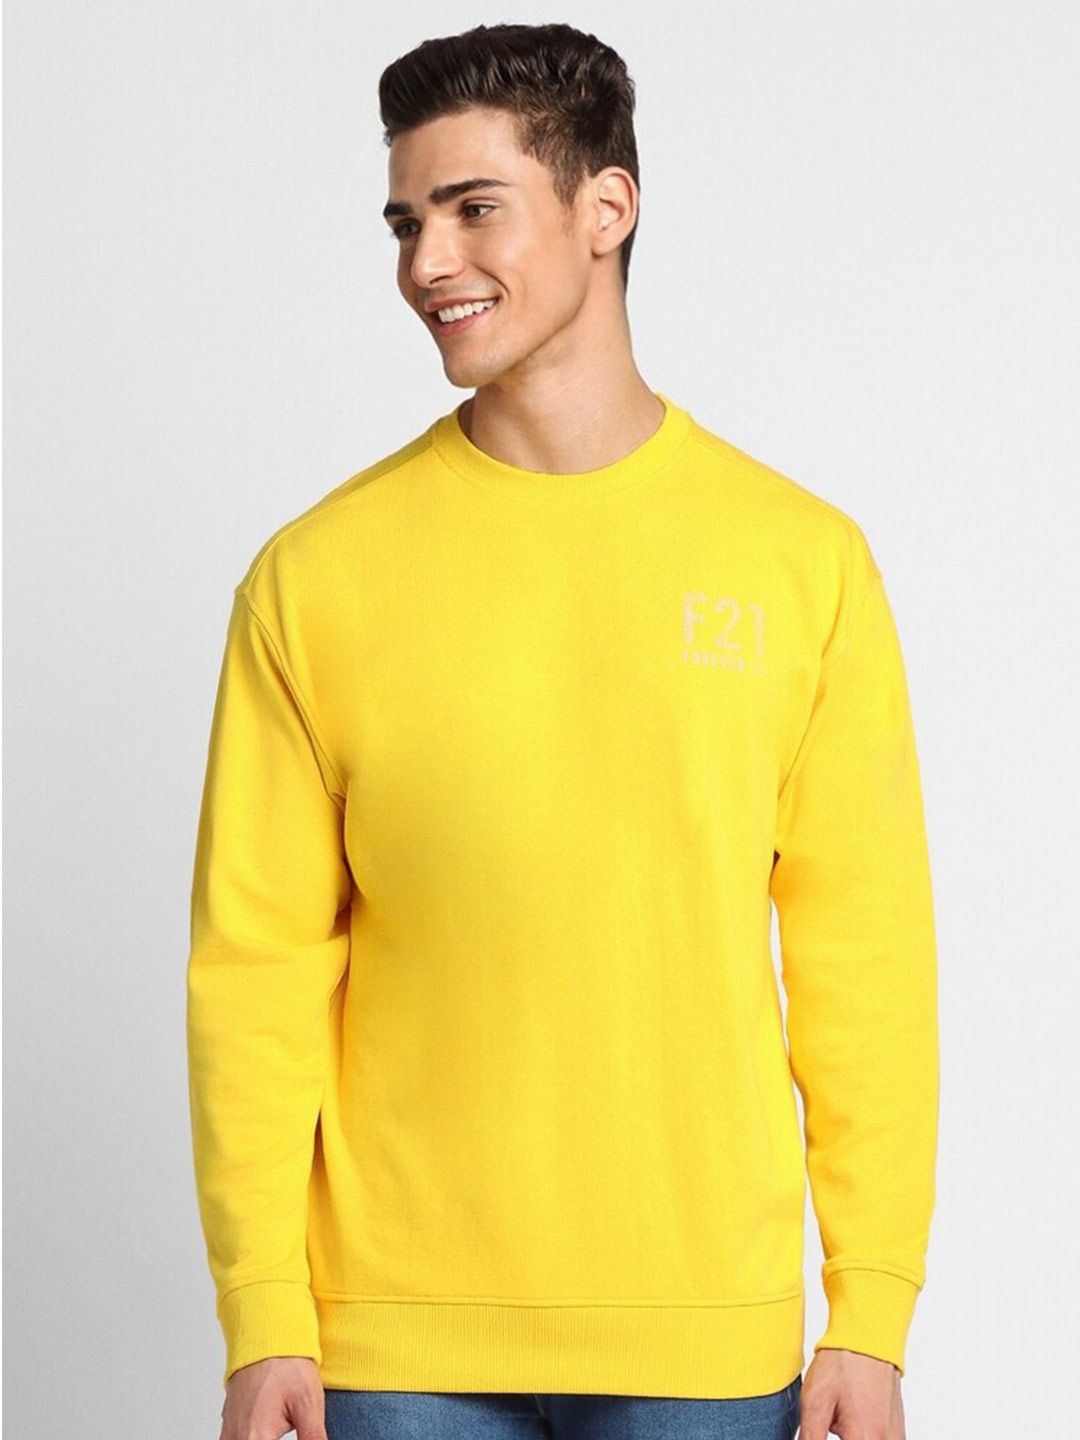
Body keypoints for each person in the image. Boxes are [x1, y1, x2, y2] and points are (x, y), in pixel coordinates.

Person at [186, 21, 939, 1440]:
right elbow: (257, 971)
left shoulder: (801, 563)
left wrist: (872, 1308)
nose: (427, 263)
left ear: (607, 208)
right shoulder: (315, 577)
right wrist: (262, 1309)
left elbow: (867, 957)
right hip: (387, 1339)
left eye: (474, 209)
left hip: (704, 1333)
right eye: (406, 222)